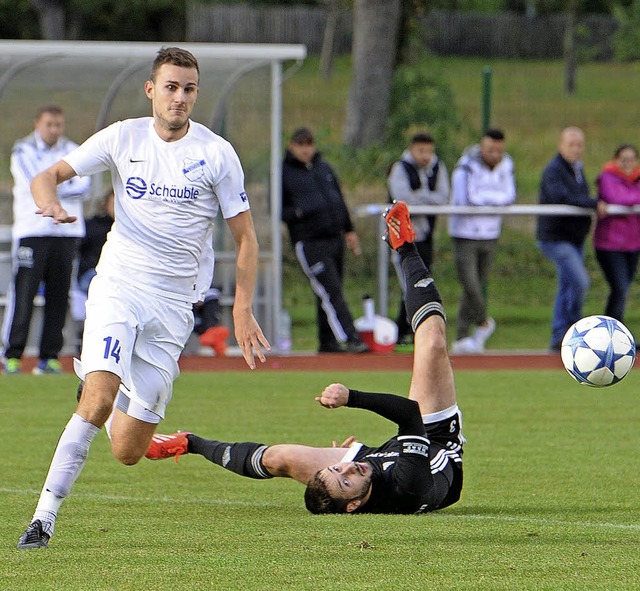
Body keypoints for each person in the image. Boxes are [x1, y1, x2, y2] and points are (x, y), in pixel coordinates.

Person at [17, 47, 269, 550]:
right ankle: (43, 519)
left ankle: (95, 376)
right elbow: (47, 176)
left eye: (189, 88)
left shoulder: (217, 153)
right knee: (98, 397)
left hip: (174, 307)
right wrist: (48, 203)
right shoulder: (122, 136)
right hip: (119, 286)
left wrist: (242, 310)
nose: (180, 97)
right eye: (171, 87)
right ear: (151, 90)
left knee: (129, 451)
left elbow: (246, 240)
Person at [146, 201, 464, 515]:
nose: (347, 470)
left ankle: (189, 442)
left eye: (337, 470)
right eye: (345, 480)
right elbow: (410, 414)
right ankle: (406, 247)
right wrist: (351, 397)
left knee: (278, 459)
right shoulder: (407, 488)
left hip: (384, 459)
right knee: (434, 344)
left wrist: (343, 462)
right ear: (353, 505)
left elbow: (341, 475)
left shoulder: (352, 474)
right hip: (435, 441)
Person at [1, 105, 92, 375]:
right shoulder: (23, 151)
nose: (54, 130)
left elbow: (84, 187)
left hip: (67, 233)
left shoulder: (74, 151)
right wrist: (57, 184)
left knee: (59, 295)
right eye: (49, 124)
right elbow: (35, 181)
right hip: (33, 231)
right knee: (24, 293)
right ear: (37, 124)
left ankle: (49, 357)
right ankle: (12, 355)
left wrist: (51, 184)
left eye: (58, 125)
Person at [281, 127, 368, 354]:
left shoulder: (323, 168)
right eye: (301, 145)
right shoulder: (284, 173)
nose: (306, 149)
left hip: (334, 238)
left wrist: (349, 230)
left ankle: (327, 342)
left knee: (327, 292)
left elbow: (338, 200)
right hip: (309, 242)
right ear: (292, 146)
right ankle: (351, 337)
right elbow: (280, 210)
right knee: (331, 291)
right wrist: (301, 212)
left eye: (309, 144)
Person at [448, 128, 516, 354]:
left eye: (499, 150)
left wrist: (489, 200)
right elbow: (466, 199)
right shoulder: (466, 167)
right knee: (471, 284)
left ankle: (461, 337)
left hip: (490, 233)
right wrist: (493, 200)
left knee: (475, 286)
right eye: (490, 149)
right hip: (465, 234)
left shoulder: (506, 165)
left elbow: (509, 196)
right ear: (481, 147)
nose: (495, 154)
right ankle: (484, 322)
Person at [536, 127, 597, 351]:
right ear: (561, 145)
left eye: (580, 144)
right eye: (571, 144)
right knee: (580, 281)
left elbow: (578, 196)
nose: (576, 149)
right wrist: (593, 203)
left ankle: (560, 335)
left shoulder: (577, 170)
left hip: (574, 239)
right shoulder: (554, 170)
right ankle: (572, 328)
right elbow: (560, 196)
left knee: (568, 285)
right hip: (556, 238)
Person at [387, 133, 450, 345]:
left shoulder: (437, 167)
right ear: (412, 149)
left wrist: (420, 198)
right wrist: (425, 200)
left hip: (425, 238)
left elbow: (443, 198)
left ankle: (404, 331)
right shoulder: (401, 168)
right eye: (421, 151)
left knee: (421, 284)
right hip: (402, 242)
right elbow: (404, 201)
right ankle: (412, 332)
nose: (426, 156)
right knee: (409, 284)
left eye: (429, 151)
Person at [593, 144, 640, 322]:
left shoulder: (636, 179)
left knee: (623, 289)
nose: (627, 164)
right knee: (620, 287)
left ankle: (616, 330)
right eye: (623, 160)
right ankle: (612, 329)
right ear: (616, 161)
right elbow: (618, 198)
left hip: (633, 244)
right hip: (610, 244)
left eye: (631, 160)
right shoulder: (608, 177)